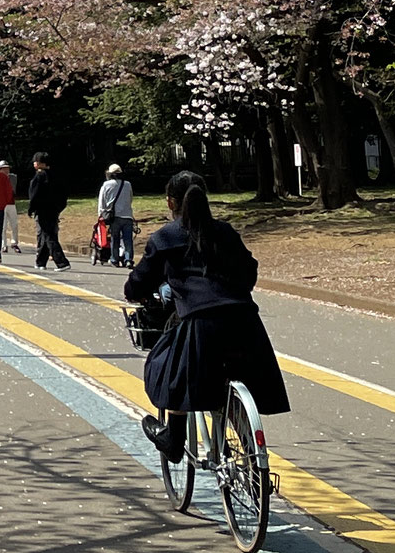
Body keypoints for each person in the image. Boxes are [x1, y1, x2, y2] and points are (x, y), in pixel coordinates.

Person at [125, 171, 292, 463]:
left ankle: (174, 439)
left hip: (200, 324)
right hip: (244, 321)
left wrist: (136, 293)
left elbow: (139, 282)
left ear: (170, 202)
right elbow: (249, 271)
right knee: (237, 379)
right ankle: (251, 457)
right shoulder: (225, 232)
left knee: (169, 368)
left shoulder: (166, 237)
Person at [27, 151, 71, 270]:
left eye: (35, 161)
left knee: (49, 236)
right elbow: (64, 194)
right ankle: (40, 262)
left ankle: (62, 262)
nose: (34, 164)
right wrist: (59, 208)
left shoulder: (39, 176)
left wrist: (31, 209)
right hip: (54, 209)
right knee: (44, 235)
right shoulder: (56, 176)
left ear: (40, 163)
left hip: (43, 210)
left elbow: (34, 195)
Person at [97, 163, 136, 267]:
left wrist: (101, 214)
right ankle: (128, 260)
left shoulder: (106, 185)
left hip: (114, 217)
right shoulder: (127, 184)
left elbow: (102, 201)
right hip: (127, 215)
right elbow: (130, 198)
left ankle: (115, 259)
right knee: (128, 240)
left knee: (115, 239)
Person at [0, 160, 24, 254]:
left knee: (14, 224)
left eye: (7, 168)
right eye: (3, 169)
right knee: (3, 226)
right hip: (1, 204)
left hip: (11, 203)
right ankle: (4, 244)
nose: (6, 170)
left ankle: (14, 242)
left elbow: (13, 189)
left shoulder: (12, 177)